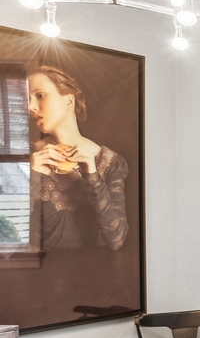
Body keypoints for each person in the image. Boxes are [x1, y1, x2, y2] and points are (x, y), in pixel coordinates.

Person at [28, 65, 128, 250]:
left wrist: (92, 175)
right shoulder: (25, 157)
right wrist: (33, 177)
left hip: (98, 275)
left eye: (40, 95)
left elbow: (116, 240)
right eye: (28, 99)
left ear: (68, 100)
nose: (31, 106)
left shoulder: (110, 161)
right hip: (30, 276)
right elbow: (8, 233)